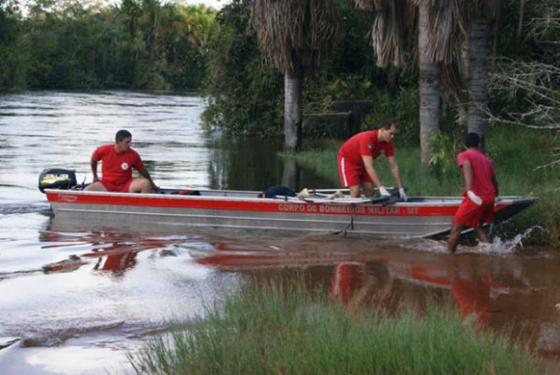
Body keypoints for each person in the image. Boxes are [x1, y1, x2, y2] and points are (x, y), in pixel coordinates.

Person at [448, 133, 499, 253]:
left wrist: (469, 190)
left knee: (456, 228)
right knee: (477, 226)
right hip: (489, 198)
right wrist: (495, 195)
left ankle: (448, 257)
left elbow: (466, 166)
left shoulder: (464, 155)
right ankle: (491, 253)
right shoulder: (486, 160)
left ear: (465, 144)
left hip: (475, 198)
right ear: (478, 145)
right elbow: (494, 182)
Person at [337, 119, 407, 199]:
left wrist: (400, 188)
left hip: (363, 162)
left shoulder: (388, 143)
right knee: (355, 192)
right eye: (390, 133)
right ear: (382, 130)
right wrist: (381, 188)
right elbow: (369, 166)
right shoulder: (368, 138)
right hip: (348, 159)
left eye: (393, 134)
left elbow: (393, 166)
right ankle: (342, 197)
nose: (392, 136)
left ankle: (360, 204)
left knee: (369, 190)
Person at [84, 129, 158, 193]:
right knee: (85, 192)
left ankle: (141, 207)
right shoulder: (103, 150)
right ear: (118, 142)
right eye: (127, 142)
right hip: (106, 184)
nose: (130, 145)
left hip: (126, 185)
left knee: (145, 183)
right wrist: (95, 176)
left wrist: (152, 184)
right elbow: (93, 160)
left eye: (130, 142)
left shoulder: (133, 154)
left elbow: (143, 171)